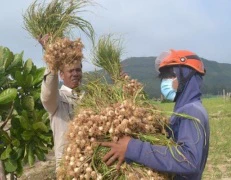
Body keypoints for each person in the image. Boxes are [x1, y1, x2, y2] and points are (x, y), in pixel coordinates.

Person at [102, 49, 210, 180]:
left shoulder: (191, 111)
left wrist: (132, 148)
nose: (165, 82)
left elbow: (189, 160)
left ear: (187, 75)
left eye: (170, 76)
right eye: (163, 78)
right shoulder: (184, 110)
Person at [40, 36, 83, 168]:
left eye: (78, 70)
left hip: (89, 162)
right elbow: (47, 93)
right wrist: (52, 60)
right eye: (70, 70)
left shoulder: (88, 98)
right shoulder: (57, 99)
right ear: (61, 75)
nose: (75, 73)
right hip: (67, 165)